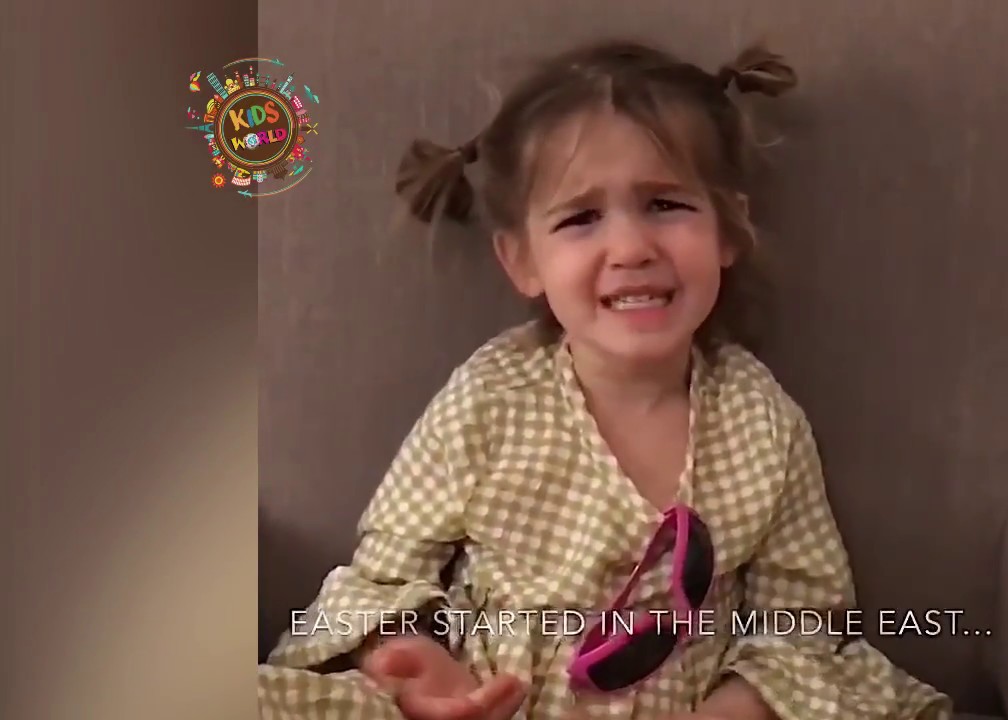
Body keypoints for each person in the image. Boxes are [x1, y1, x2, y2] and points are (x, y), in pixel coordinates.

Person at [258, 39, 952, 720]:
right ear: (522, 260)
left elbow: (803, 619)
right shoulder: (491, 398)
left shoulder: (762, 420)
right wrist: (415, 663)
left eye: (665, 205)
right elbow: (383, 577)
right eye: (582, 218)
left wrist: (737, 708)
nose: (631, 248)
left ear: (728, 229)